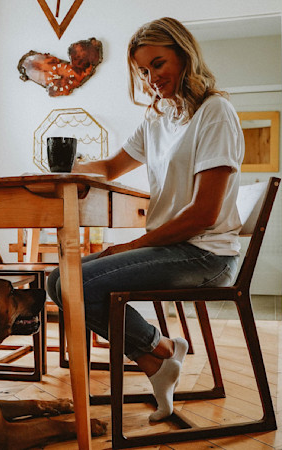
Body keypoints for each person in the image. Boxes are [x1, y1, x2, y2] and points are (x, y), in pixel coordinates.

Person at [47, 17, 244, 422]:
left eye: (158, 64)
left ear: (184, 55)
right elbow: (112, 166)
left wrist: (134, 245)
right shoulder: (158, 118)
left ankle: (159, 355)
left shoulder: (215, 113)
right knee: (57, 279)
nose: (151, 78)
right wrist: (68, 168)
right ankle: (160, 354)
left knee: (78, 281)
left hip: (206, 256)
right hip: (173, 248)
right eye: (142, 70)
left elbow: (203, 215)